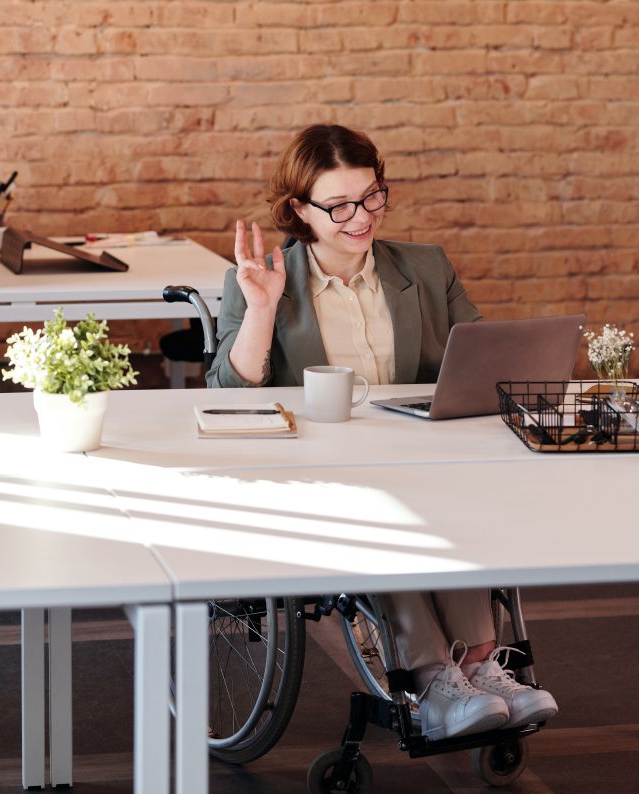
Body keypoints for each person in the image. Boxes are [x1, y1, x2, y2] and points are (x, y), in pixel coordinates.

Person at [207, 124, 558, 740]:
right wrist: (261, 310)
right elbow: (228, 395)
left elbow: (482, 361)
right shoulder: (263, 279)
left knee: (454, 501)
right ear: (299, 210)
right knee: (389, 513)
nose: (361, 217)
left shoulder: (425, 267)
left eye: (371, 197)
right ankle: (433, 679)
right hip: (321, 474)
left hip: (421, 460)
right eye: (339, 205)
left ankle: (481, 666)